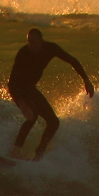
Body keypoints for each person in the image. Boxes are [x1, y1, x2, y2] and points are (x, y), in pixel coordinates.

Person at [8, 28, 94, 160]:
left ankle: (39, 154)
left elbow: (72, 60)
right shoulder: (23, 53)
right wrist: (22, 103)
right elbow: (12, 84)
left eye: (34, 42)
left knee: (53, 122)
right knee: (32, 116)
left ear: (41, 41)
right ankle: (15, 152)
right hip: (19, 90)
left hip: (31, 88)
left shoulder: (50, 48)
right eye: (29, 42)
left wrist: (86, 80)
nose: (31, 45)